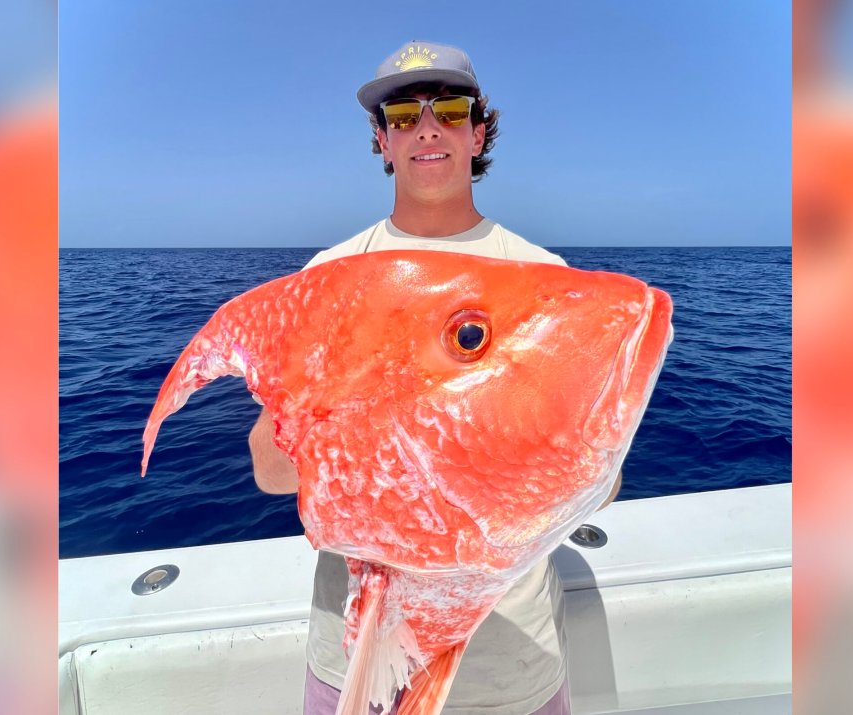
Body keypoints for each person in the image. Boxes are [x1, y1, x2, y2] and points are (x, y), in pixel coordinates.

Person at [249, 41, 615, 715]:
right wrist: (346, 415)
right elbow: (271, 470)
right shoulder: (331, 278)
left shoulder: (543, 280)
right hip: (353, 656)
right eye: (402, 114)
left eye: (449, 109)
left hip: (508, 670)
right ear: (382, 141)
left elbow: (600, 479)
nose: (427, 128)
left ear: (478, 133)